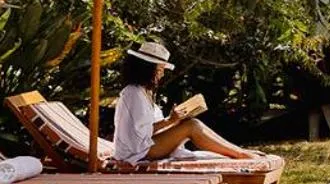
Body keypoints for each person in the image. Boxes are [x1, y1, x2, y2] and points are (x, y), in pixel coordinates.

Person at [111, 40, 263, 166]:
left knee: (192, 122)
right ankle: (239, 154)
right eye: (159, 70)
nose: (162, 74)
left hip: (144, 146)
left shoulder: (144, 92)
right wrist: (171, 121)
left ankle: (238, 152)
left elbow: (150, 129)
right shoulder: (133, 93)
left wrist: (175, 120)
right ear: (146, 70)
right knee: (191, 126)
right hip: (136, 152)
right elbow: (142, 133)